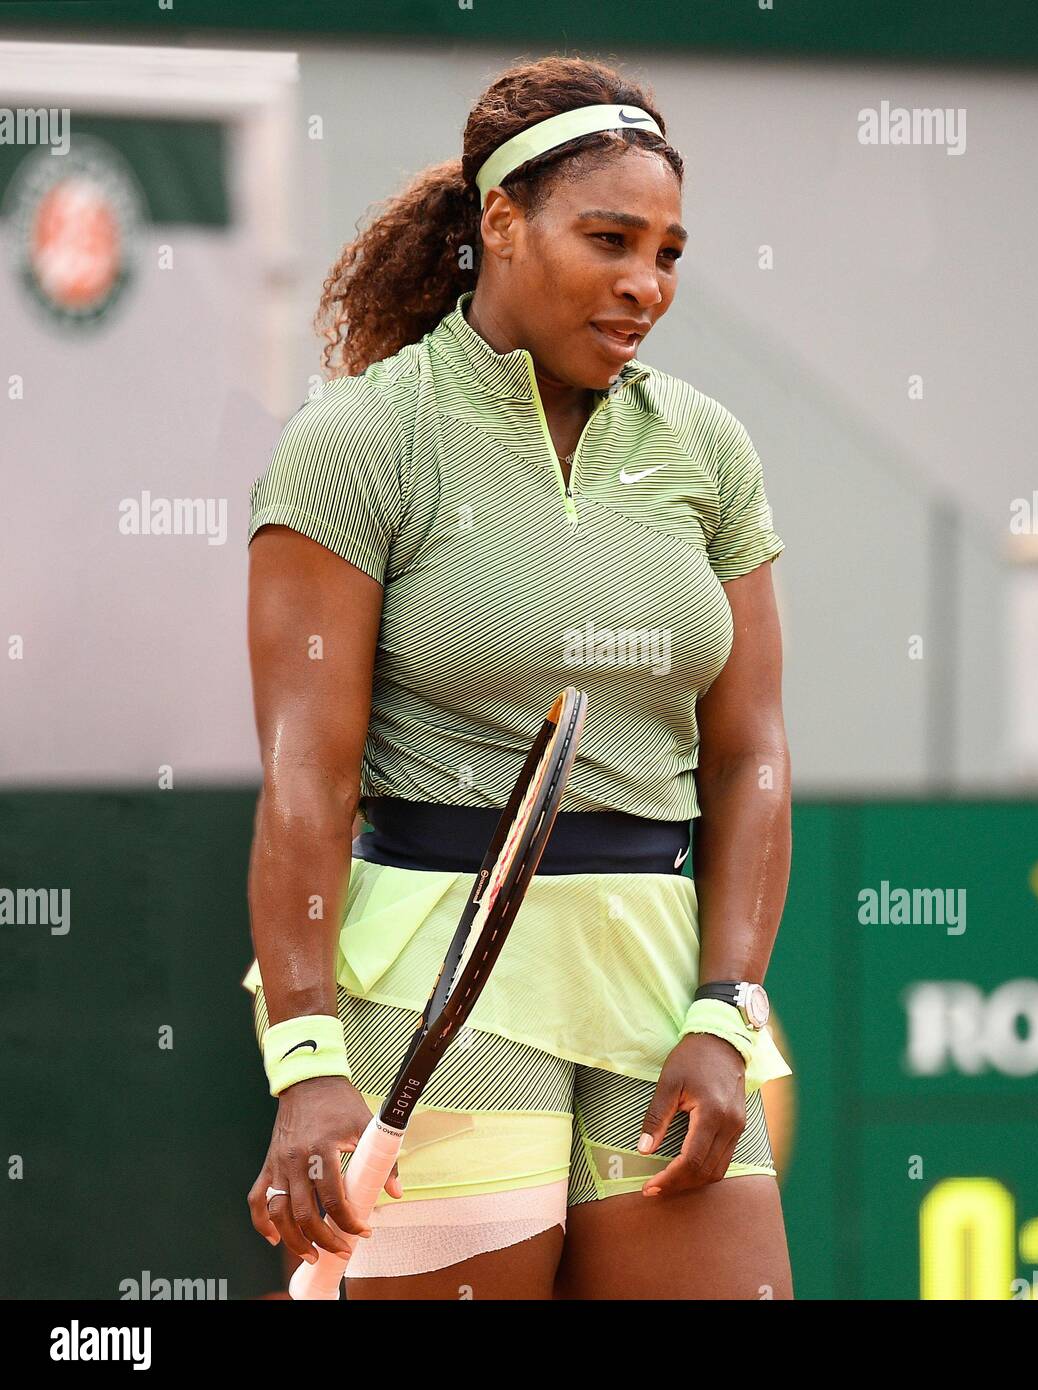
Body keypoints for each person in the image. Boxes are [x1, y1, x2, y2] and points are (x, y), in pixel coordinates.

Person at [243, 54, 793, 1300]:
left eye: (666, 251)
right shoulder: (357, 445)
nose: (645, 284)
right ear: (499, 222)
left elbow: (751, 749)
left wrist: (725, 1009)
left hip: (660, 996)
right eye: (609, 239)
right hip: (438, 992)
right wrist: (307, 1053)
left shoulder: (707, 446)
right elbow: (306, 780)